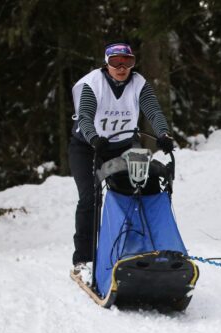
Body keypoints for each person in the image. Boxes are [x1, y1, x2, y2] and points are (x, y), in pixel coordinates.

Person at [69, 42, 175, 280]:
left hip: (122, 146)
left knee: (141, 187)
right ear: (106, 64)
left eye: (127, 62)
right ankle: (83, 260)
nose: (121, 67)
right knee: (90, 197)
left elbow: (154, 112)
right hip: (88, 147)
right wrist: (94, 138)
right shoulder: (93, 84)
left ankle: (138, 250)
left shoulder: (139, 84)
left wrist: (163, 134)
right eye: (115, 62)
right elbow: (85, 116)